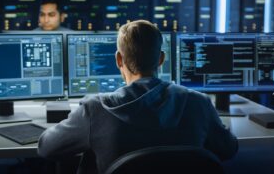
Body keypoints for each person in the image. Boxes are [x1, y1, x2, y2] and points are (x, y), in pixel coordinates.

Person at [38, 20, 238, 174]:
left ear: (118, 59)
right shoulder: (199, 103)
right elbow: (229, 149)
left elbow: (46, 148)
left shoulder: (95, 110)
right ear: (161, 59)